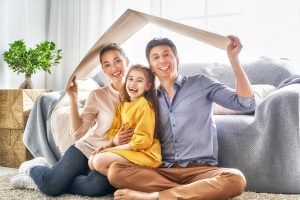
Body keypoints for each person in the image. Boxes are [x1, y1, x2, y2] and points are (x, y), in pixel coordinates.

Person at [107, 36, 256, 200]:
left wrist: (234, 59)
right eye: (155, 57)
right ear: (151, 67)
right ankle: (192, 193)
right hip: (163, 171)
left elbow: (246, 104)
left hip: (202, 170)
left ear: (177, 59)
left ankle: (155, 197)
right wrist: (113, 142)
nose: (162, 60)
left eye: (166, 54)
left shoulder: (202, 83)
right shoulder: (148, 100)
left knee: (236, 179)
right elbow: (134, 132)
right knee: (115, 171)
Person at [11, 43, 133, 196]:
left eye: (117, 61)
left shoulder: (142, 93)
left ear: (126, 61)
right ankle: (34, 169)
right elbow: (78, 133)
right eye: (107, 64)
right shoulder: (98, 95)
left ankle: (52, 178)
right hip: (87, 148)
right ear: (103, 70)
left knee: (96, 188)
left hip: (111, 155)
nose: (114, 68)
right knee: (51, 187)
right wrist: (73, 99)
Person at [89, 64, 162, 176]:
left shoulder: (145, 105)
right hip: (127, 149)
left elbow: (144, 140)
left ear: (148, 86)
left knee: (98, 161)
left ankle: (135, 181)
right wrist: (110, 145)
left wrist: (112, 150)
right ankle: (126, 179)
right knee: (91, 161)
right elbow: (115, 131)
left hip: (144, 153)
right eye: (130, 78)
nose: (133, 83)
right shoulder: (122, 106)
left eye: (139, 81)